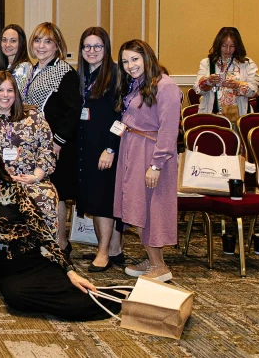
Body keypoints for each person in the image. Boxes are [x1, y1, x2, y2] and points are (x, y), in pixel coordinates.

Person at [0, 144, 112, 322]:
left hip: (32, 260)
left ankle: (113, 299)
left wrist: (70, 270)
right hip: (6, 267)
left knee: (75, 302)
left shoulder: (14, 191)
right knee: (15, 298)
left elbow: (43, 233)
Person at [114, 39, 182, 281]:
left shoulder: (166, 86)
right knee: (137, 206)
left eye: (135, 59)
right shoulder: (137, 84)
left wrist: (156, 164)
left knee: (152, 207)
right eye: (125, 61)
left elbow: (169, 129)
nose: (130, 65)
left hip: (152, 153)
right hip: (132, 148)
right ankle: (153, 259)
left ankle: (159, 266)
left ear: (147, 57)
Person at [0, 71, 58, 235]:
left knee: (45, 198)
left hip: (30, 179)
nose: (5, 95)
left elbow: (47, 151)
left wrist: (35, 177)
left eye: (10, 90)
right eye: (0, 90)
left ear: (16, 93)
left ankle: (43, 249)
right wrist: (1, 176)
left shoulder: (34, 116)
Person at [23, 23, 81, 256]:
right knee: (38, 192)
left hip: (56, 145)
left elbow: (73, 111)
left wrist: (58, 142)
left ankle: (61, 244)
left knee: (56, 194)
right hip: (35, 143)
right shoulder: (31, 70)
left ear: (57, 45)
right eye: (38, 40)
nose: (41, 46)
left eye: (48, 41)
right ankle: (43, 241)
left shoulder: (64, 72)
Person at [75, 28, 124, 272]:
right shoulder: (82, 75)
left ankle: (103, 252)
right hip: (87, 147)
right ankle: (113, 249)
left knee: (103, 201)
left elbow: (122, 117)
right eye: (87, 46)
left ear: (106, 48)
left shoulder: (116, 75)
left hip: (106, 148)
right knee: (96, 198)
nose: (92, 51)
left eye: (97, 46)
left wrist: (110, 148)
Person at [194, 27, 259, 119]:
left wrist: (238, 85)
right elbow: (198, 89)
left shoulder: (247, 64)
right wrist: (208, 81)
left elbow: (253, 91)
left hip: (239, 115)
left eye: (232, 46)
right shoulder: (207, 63)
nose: (228, 50)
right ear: (218, 45)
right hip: (212, 114)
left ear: (237, 46)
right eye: (224, 46)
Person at [0, 24, 31, 91]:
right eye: (4, 40)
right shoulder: (5, 66)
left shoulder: (24, 67)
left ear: (21, 43)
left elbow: (18, 95)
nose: (7, 45)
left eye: (13, 41)